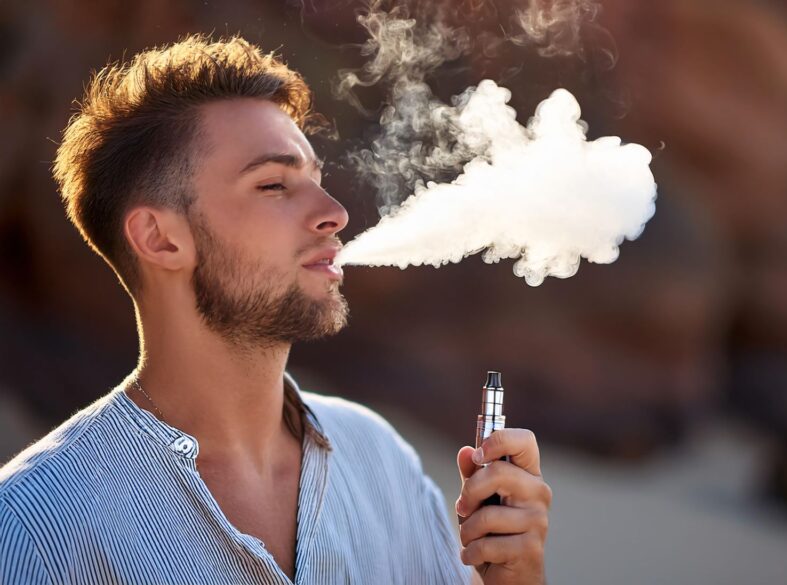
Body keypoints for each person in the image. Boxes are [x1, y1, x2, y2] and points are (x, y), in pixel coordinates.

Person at [0, 35, 551, 585]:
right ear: (160, 239)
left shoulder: (379, 459)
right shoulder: (32, 527)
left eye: (315, 179)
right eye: (272, 185)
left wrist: (511, 580)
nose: (334, 214)